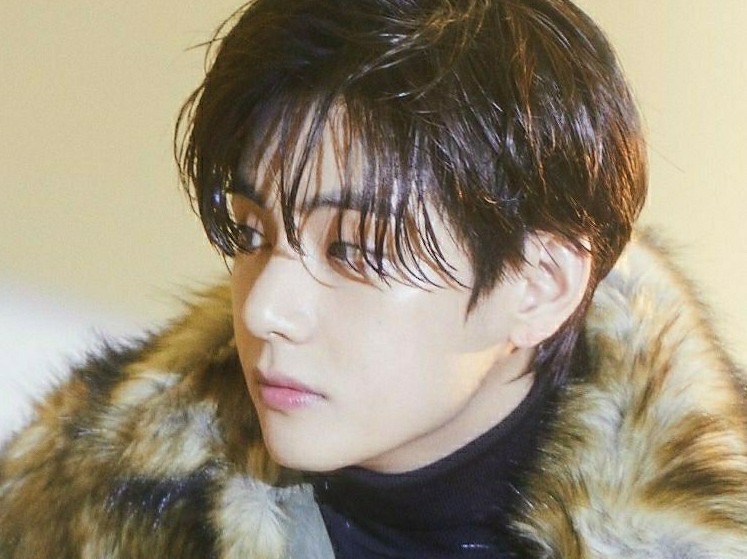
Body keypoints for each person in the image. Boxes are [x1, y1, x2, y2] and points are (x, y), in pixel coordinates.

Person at [1, 0, 746, 557]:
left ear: (539, 286)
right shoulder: (81, 506)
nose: (263, 309)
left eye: (355, 251)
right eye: (251, 232)